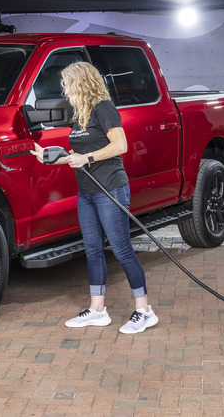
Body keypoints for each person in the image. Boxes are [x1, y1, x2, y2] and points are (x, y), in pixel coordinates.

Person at [32, 61, 157, 334]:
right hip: (87, 193)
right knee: (92, 251)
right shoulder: (79, 115)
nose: (65, 90)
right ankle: (98, 310)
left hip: (110, 189)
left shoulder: (103, 108)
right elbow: (76, 157)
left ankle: (144, 310)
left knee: (122, 250)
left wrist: (86, 157)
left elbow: (120, 145)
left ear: (81, 83)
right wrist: (50, 158)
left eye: (67, 84)